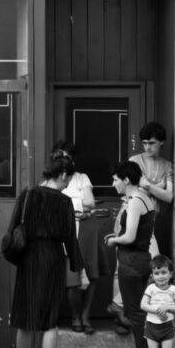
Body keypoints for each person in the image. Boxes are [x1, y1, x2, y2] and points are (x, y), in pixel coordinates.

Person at [9, 153, 82, 348]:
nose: (67, 184)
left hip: (28, 256)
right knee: (50, 320)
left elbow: (12, 229)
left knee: (24, 316)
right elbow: (70, 238)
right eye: (68, 179)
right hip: (52, 258)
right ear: (62, 175)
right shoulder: (64, 202)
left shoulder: (27, 194)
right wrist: (78, 268)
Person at [105, 160, 157, 348]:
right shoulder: (146, 199)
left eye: (116, 179)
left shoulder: (135, 201)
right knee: (142, 313)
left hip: (131, 263)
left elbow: (130, 236)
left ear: (126, 180)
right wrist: (117, 237)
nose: (113, 183)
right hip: (142, 260)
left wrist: (113, 241)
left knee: (134, 313)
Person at [53, 141, 102, 335]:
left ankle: (85, 316)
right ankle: (75, 316)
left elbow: (91, 203)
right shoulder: (50, 180)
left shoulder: (81, 178)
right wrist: (77, 206)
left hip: (86, 230)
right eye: (59, 157)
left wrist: (72, 206)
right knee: (71, 277)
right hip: (64, 231)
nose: (64, 161)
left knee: (91, 273)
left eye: (67, 157)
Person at [130, 122, 174, 257]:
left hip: (153, 217)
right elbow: (135, 191)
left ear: (162, 142)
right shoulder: (134, 161)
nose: (147, 147)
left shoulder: (167, 166)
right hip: (134, 215)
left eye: (152, 143)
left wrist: (147, 186)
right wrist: (160, 187)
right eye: (144, 143)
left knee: (150, 258)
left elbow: (169, 197)